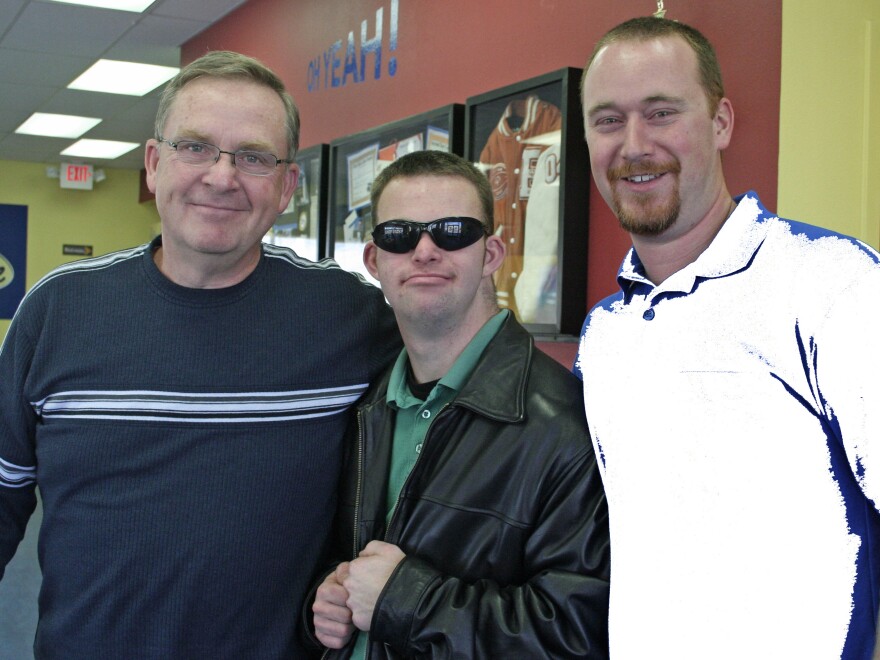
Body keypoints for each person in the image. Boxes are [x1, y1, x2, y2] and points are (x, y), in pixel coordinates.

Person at [0, 51, 400, 658]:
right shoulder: (57, 312)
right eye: (195, 147)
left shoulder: (351, 317)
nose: (221, 175)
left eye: (254, 157)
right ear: (155, 165)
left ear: (288, 185)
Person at [576, 16, 880, 660]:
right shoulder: (605, 333)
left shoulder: (830, 282)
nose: (633, 144)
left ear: (721, 124)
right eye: (608, 120)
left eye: (661, 113)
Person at [308, 150, 611, 658]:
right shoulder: (361, 407)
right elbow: (343, 567)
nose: (425, 251)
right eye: (399, 236)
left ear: (491, 254)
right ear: (373, 260)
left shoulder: (569, 429)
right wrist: (323, 603)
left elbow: (577, 635)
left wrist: (407, 599)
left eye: (452, 231)